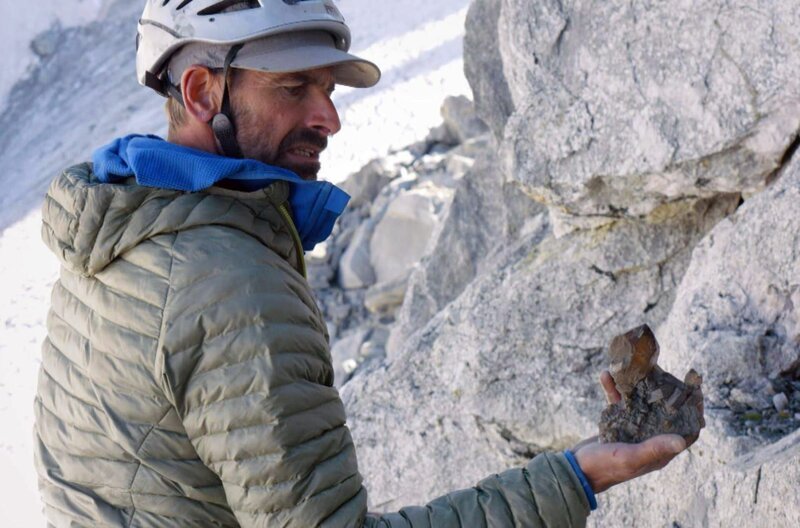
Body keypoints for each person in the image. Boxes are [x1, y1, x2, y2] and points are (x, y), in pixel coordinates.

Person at [33, 1, 693, 526]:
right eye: (295, 88)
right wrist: (577, 476)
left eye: (326, 88)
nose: (329, 118)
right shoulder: (231, 284)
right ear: (203, 92)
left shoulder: (119, 224)